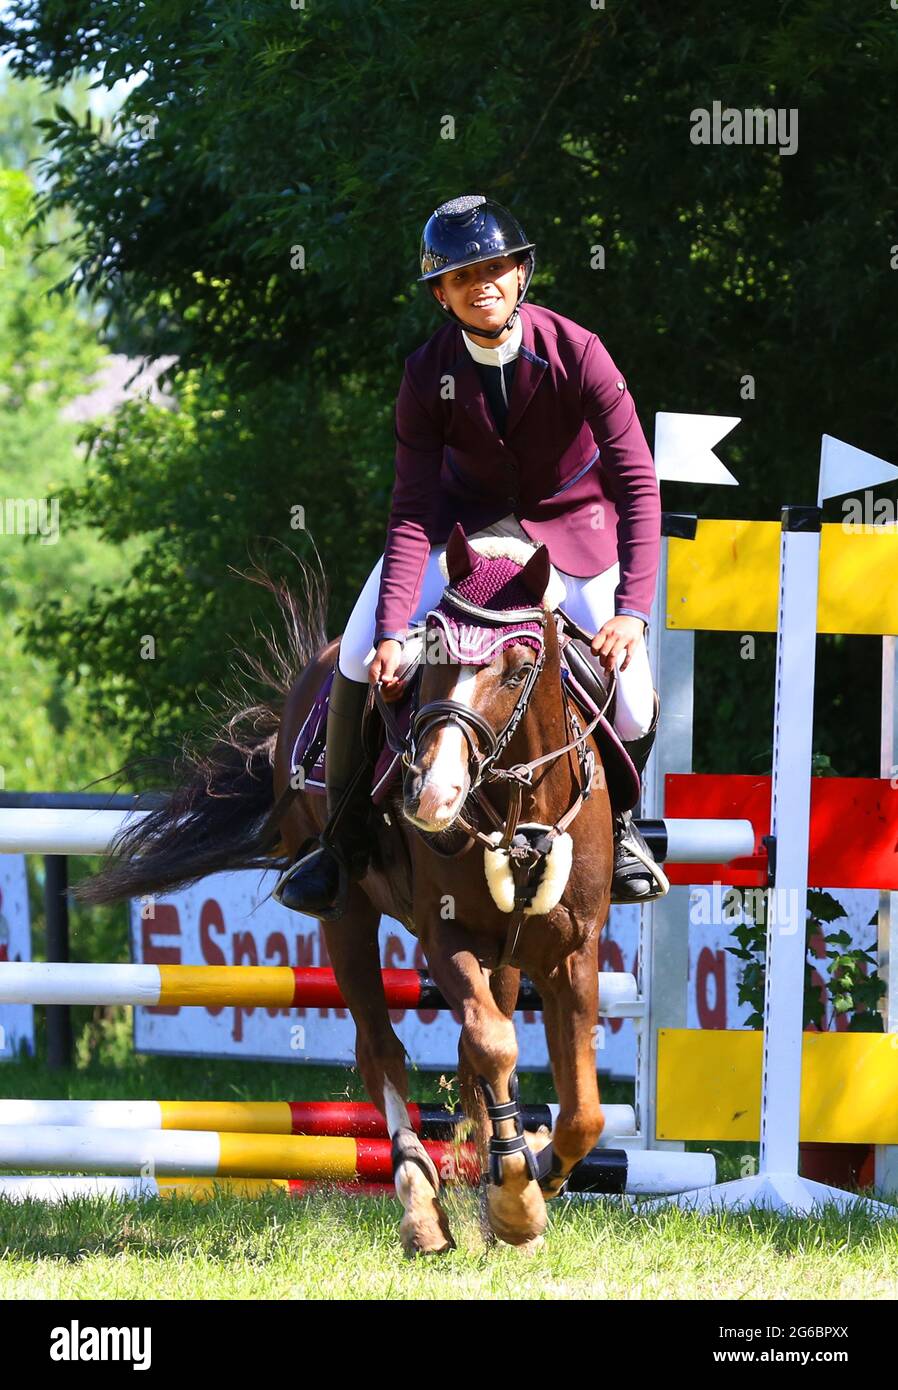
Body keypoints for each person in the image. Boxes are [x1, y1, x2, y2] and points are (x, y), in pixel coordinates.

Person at [275, 194, 667, 919]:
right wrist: (396, 628)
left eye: (495, 268)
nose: (482, 284)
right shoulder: (426, 373)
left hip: (571, 532)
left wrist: (634, 613)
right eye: (462, 276)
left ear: (521, 274)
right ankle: (342, 838)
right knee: (361, 653)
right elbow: (410, 509)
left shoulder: (579, 351)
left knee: (636, 701)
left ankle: (624, 831)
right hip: (457, 531)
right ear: (440, 295)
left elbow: (639, 486)